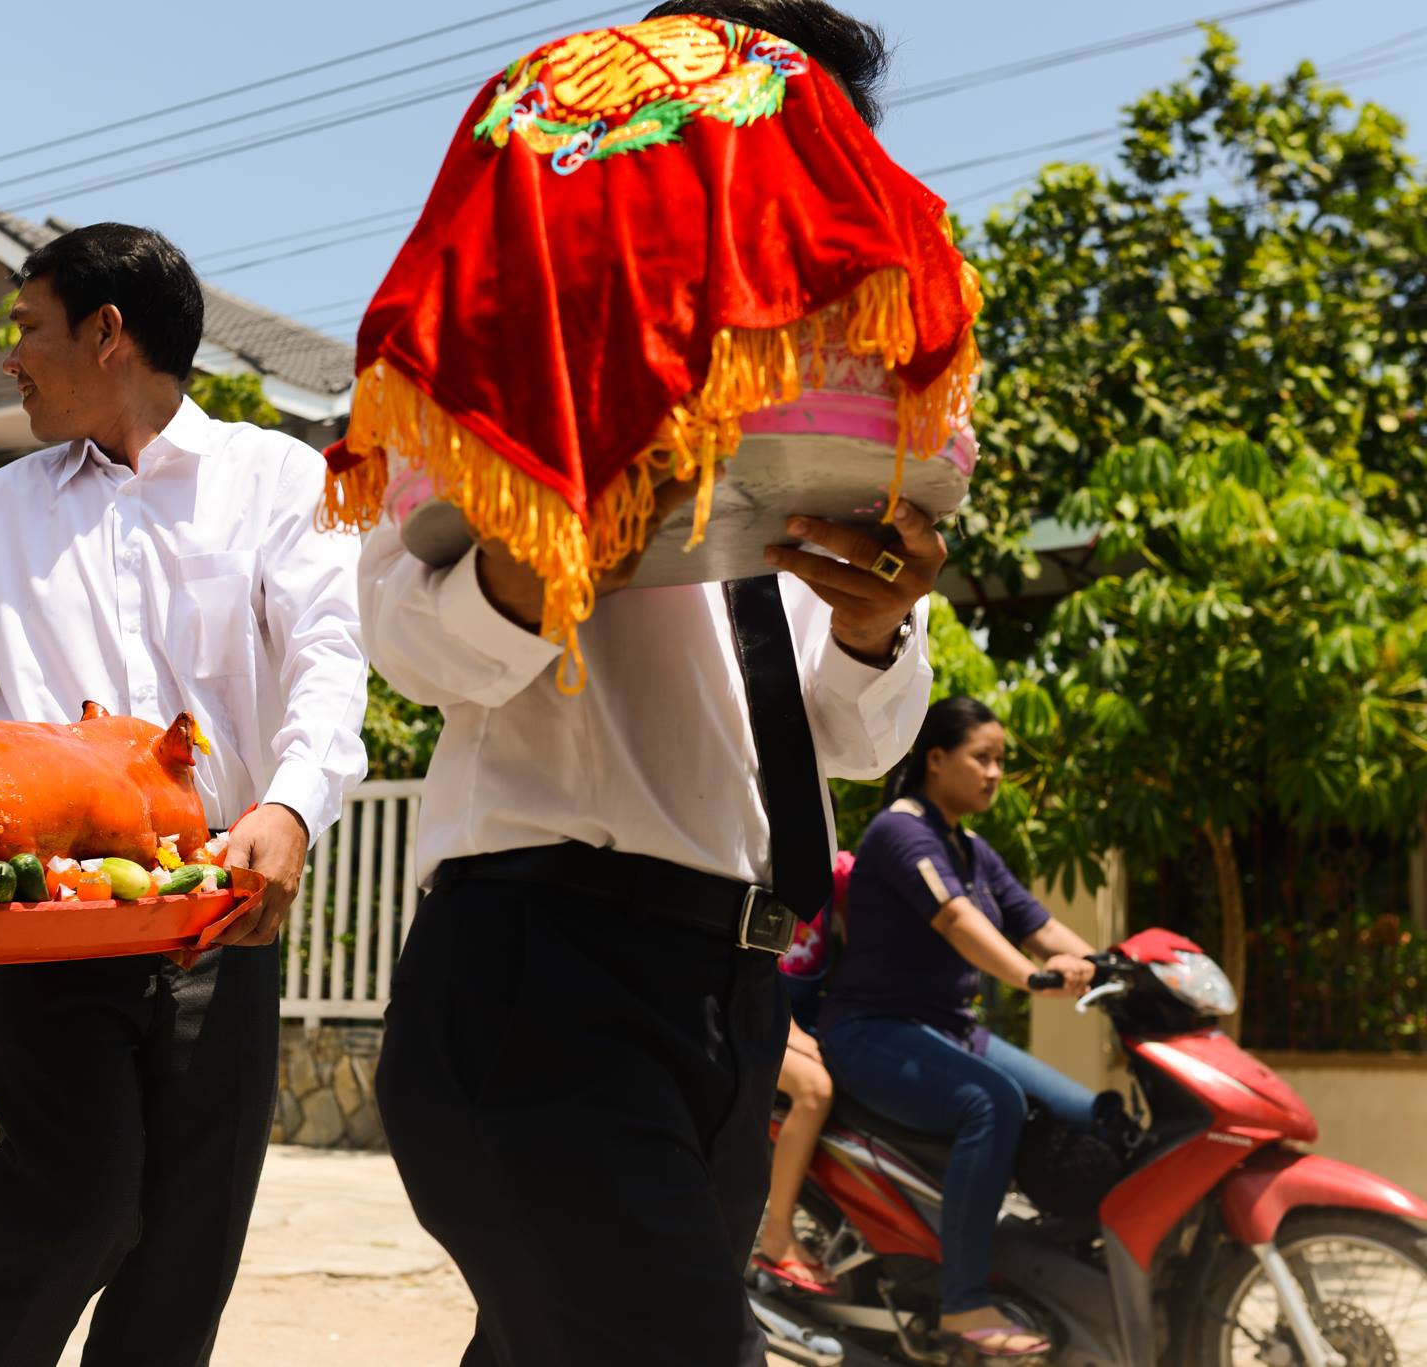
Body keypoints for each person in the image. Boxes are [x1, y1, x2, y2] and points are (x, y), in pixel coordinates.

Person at [361, 4, 943, 1358]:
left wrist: (879, 619)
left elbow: (855, 741)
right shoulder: (507, 346)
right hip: (538, 973)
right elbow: (407, 637)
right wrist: (564, 542)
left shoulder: (823, 409)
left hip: (729, 994)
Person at [0, 223, 369, 1367]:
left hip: (221, 899)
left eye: (26, 329)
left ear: (109, 333)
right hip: (53, 912)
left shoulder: (276, 479)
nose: (6, 359)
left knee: (183, 1255)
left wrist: (292, 806)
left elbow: (329, 655)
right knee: (67, 1212)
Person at [819, 696, 1101, 1357]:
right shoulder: (900, 831)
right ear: (936, 759)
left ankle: (1055, 1270)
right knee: (991, 1101)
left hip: (948, 1029)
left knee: (1088, 1114)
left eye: (1002, 760)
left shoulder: (970, 847)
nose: (996, 772)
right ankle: (964, 1301)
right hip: (873, 1029)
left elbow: (1038, 925)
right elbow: (958, 922)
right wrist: (1033, 979)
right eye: (983, 757)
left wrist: (1108, 967)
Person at [752, 850, 851, 1294]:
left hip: (812, 1018)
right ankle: (776, 1233)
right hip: (761, 1015)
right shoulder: (761, 860)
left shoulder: (839, 869)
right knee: (814, 1090)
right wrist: (789, 1030)